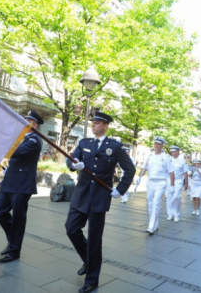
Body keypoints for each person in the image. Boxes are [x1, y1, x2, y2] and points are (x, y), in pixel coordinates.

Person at [65, 111, 135, 293]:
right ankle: (89, 260)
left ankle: (92, 279)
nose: (94, 125)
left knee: (95, 239)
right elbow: (70, 159)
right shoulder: (84, 143)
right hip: (81, 195)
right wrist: (74, 164)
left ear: (105, 126)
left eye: (97, 123)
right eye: (93, 122)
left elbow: (130, 169)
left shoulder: (115, 146)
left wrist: (120, 190)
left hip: (99, 197)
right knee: (71, 229)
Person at [0, 110, 44, 263]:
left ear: (34, 124)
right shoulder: (20, 138)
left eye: (27, 120)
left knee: (18, 218)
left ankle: (14, 250)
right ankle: (12, 240)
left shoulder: (34, 140)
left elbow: (15, 153)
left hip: (22, 183)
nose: (23, 123)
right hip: (9, 181)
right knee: (0, 211)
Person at [137, 136, 175, 235]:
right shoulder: (149, 156)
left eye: (159, 144)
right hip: (150, 182)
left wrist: (172, 186)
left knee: (156, 204)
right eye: (155, 144)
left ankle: (151, 226)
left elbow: (171, 172)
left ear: (162, 146)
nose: (156, 145)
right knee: (150, 204)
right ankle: (155, 224)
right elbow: (144, 168)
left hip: (161, 182)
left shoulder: (166, 157)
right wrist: (139, 176)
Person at [166, 146, 187, 221]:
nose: (172, 153)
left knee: (176, 197)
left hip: (178, 180)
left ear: (178, 152)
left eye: (174, 151)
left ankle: (176, 214)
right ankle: (170, 214)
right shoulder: (169, 159)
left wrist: (186, 183)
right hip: (169, 180)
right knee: (169, 197)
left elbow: (185, 172)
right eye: (172, 151)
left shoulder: (182, 160)